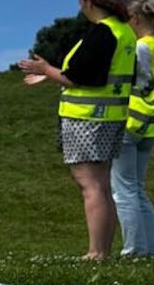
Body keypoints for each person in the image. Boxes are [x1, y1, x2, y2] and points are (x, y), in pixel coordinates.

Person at [19, 0, 136, 260]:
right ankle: (102, 250)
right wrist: (52, 74)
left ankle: (96, 252)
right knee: (102, 186)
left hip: (87, 120)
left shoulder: (102, 33)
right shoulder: (123, 31)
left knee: (91, 186)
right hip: (109, 118)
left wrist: (45, 69)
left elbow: (79, 77)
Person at [113, 0, 154, 256]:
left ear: (134, 20)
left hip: (131, 121)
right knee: (137, 189)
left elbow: (140, 82)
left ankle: (133, 250)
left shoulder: (141, 47)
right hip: (153, 126)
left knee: (123, 190)